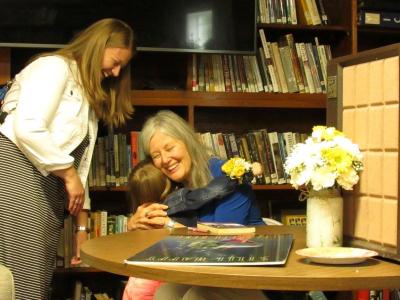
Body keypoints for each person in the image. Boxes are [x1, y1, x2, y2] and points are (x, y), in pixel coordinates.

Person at [0, 18, 134, 299]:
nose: (116, 71)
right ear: (100, 45)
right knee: (21, 280)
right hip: (16, 176)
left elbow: (79, 169)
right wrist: (69, 175)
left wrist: (81, 228)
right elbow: (27, 126)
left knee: (34, 278)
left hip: (45, 189)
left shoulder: (87, 97)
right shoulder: (53, 67)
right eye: (116, 60)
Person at [128, 110, 267, 300]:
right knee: (164, 293)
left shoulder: (229, 176)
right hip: (201, 274)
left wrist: (169, 225)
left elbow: (223, 244)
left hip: (249, 273)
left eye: (170, 148)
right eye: (156, 155)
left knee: (196, 297)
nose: (165, 160)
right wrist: (136, 227)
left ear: (188, 142)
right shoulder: (170, 186)